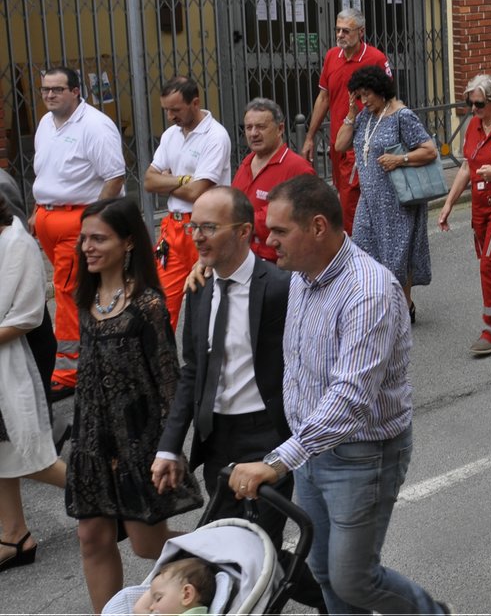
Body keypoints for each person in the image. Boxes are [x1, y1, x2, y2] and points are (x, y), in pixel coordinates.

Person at [232, 175, 453, 616]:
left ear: (316, 227)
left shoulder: (368, 291)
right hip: (313, 449)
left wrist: (279, 460)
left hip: (362, 455)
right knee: (327, 573)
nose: (268, 242)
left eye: (278, 232)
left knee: (354, 576)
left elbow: (351, 398)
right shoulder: (302, 279)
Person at [151, 187, 330, 616]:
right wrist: (170, 447)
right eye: (195, 227)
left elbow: (310, 362)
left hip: (271, 435)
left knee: (259, 550)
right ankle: (330, 598)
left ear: (245, 231)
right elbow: (192, 372)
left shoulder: (281, 287)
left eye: (209, 228)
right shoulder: (200, 289)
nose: (198, 237)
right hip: (220, 439)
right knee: (220, 548)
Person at [67, 196, 202, 616]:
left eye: (99, 238)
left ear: (127, 243)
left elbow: (169, 383)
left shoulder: (147, 306)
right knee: (92, 536)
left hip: (138, 441)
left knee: (147, 545)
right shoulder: (85, 300)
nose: (87, 246)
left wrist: (169, 448)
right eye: (84, 238)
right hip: (92, 441)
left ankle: (221, 562)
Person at [32, 64, 126, 395]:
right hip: (48, 217)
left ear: (75, 91)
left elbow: (114, 176)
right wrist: (38, 211)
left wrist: (92, 224)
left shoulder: (95, 126)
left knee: (67, 292)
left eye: (57, 89)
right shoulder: (46, 123)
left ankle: (68, 372)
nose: (50, 95)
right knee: (68, 288)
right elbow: (47, 172)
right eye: (45, 90)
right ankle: (85, 358)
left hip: (77, 220)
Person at [0, 186, 68, 574]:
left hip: (21, 347)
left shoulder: (16, 243)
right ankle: (15, 535)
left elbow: (27, 315)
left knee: (28, 450)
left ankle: (111, 502)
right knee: (2, 448)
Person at [333, 67, 436, 314]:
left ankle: (401, 306)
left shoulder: (402, 116)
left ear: (381, 91)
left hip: (397, 200)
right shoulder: (364, 116)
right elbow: (340, 144)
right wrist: (351, 112)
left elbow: (429, 151)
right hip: (369, 199)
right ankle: (378, 303)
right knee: (363, 251)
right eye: (359, 96)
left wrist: (400, 160)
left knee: (396, 257)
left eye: (367, 94)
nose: (364, 100)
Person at [439, 76, 491, 356]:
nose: (473, 109)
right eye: (469, 103)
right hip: (479, 207)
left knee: (489, 264)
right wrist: (449, 204)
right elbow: (466, 167)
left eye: (479, 104)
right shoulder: (473, 125)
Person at [144, 77, 232, 328]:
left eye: (176, 110)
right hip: (173, 229)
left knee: (206, 305)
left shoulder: (215, 136)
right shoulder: (171, 135)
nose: (170, 116)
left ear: (195, 103)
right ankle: (163, 363)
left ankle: (204, 364)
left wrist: (168, 181)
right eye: (166, 110)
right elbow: (149, 181)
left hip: (205, 227)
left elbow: (198, 192)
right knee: (160, 305)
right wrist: (183, 179)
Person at [300, 10, 392, 235]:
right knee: (343, 195)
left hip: (360, 143)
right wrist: (310, 137)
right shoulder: (332, 56)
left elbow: (389, 100)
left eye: (346, 31)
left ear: (361, 32)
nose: (340, 35)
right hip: (337, 142)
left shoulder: (376, 58)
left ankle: (356, 254)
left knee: (350, 203)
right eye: (338, 30)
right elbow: (323, 97)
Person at [233, 99, 315, 263]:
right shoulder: (246, 163)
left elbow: (298, 219)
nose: (253, 133)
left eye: (261, 127)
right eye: (249, 127)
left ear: (280, 129)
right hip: (242, 259)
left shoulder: (298, 168)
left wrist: (234, 221)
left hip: (278, 265)